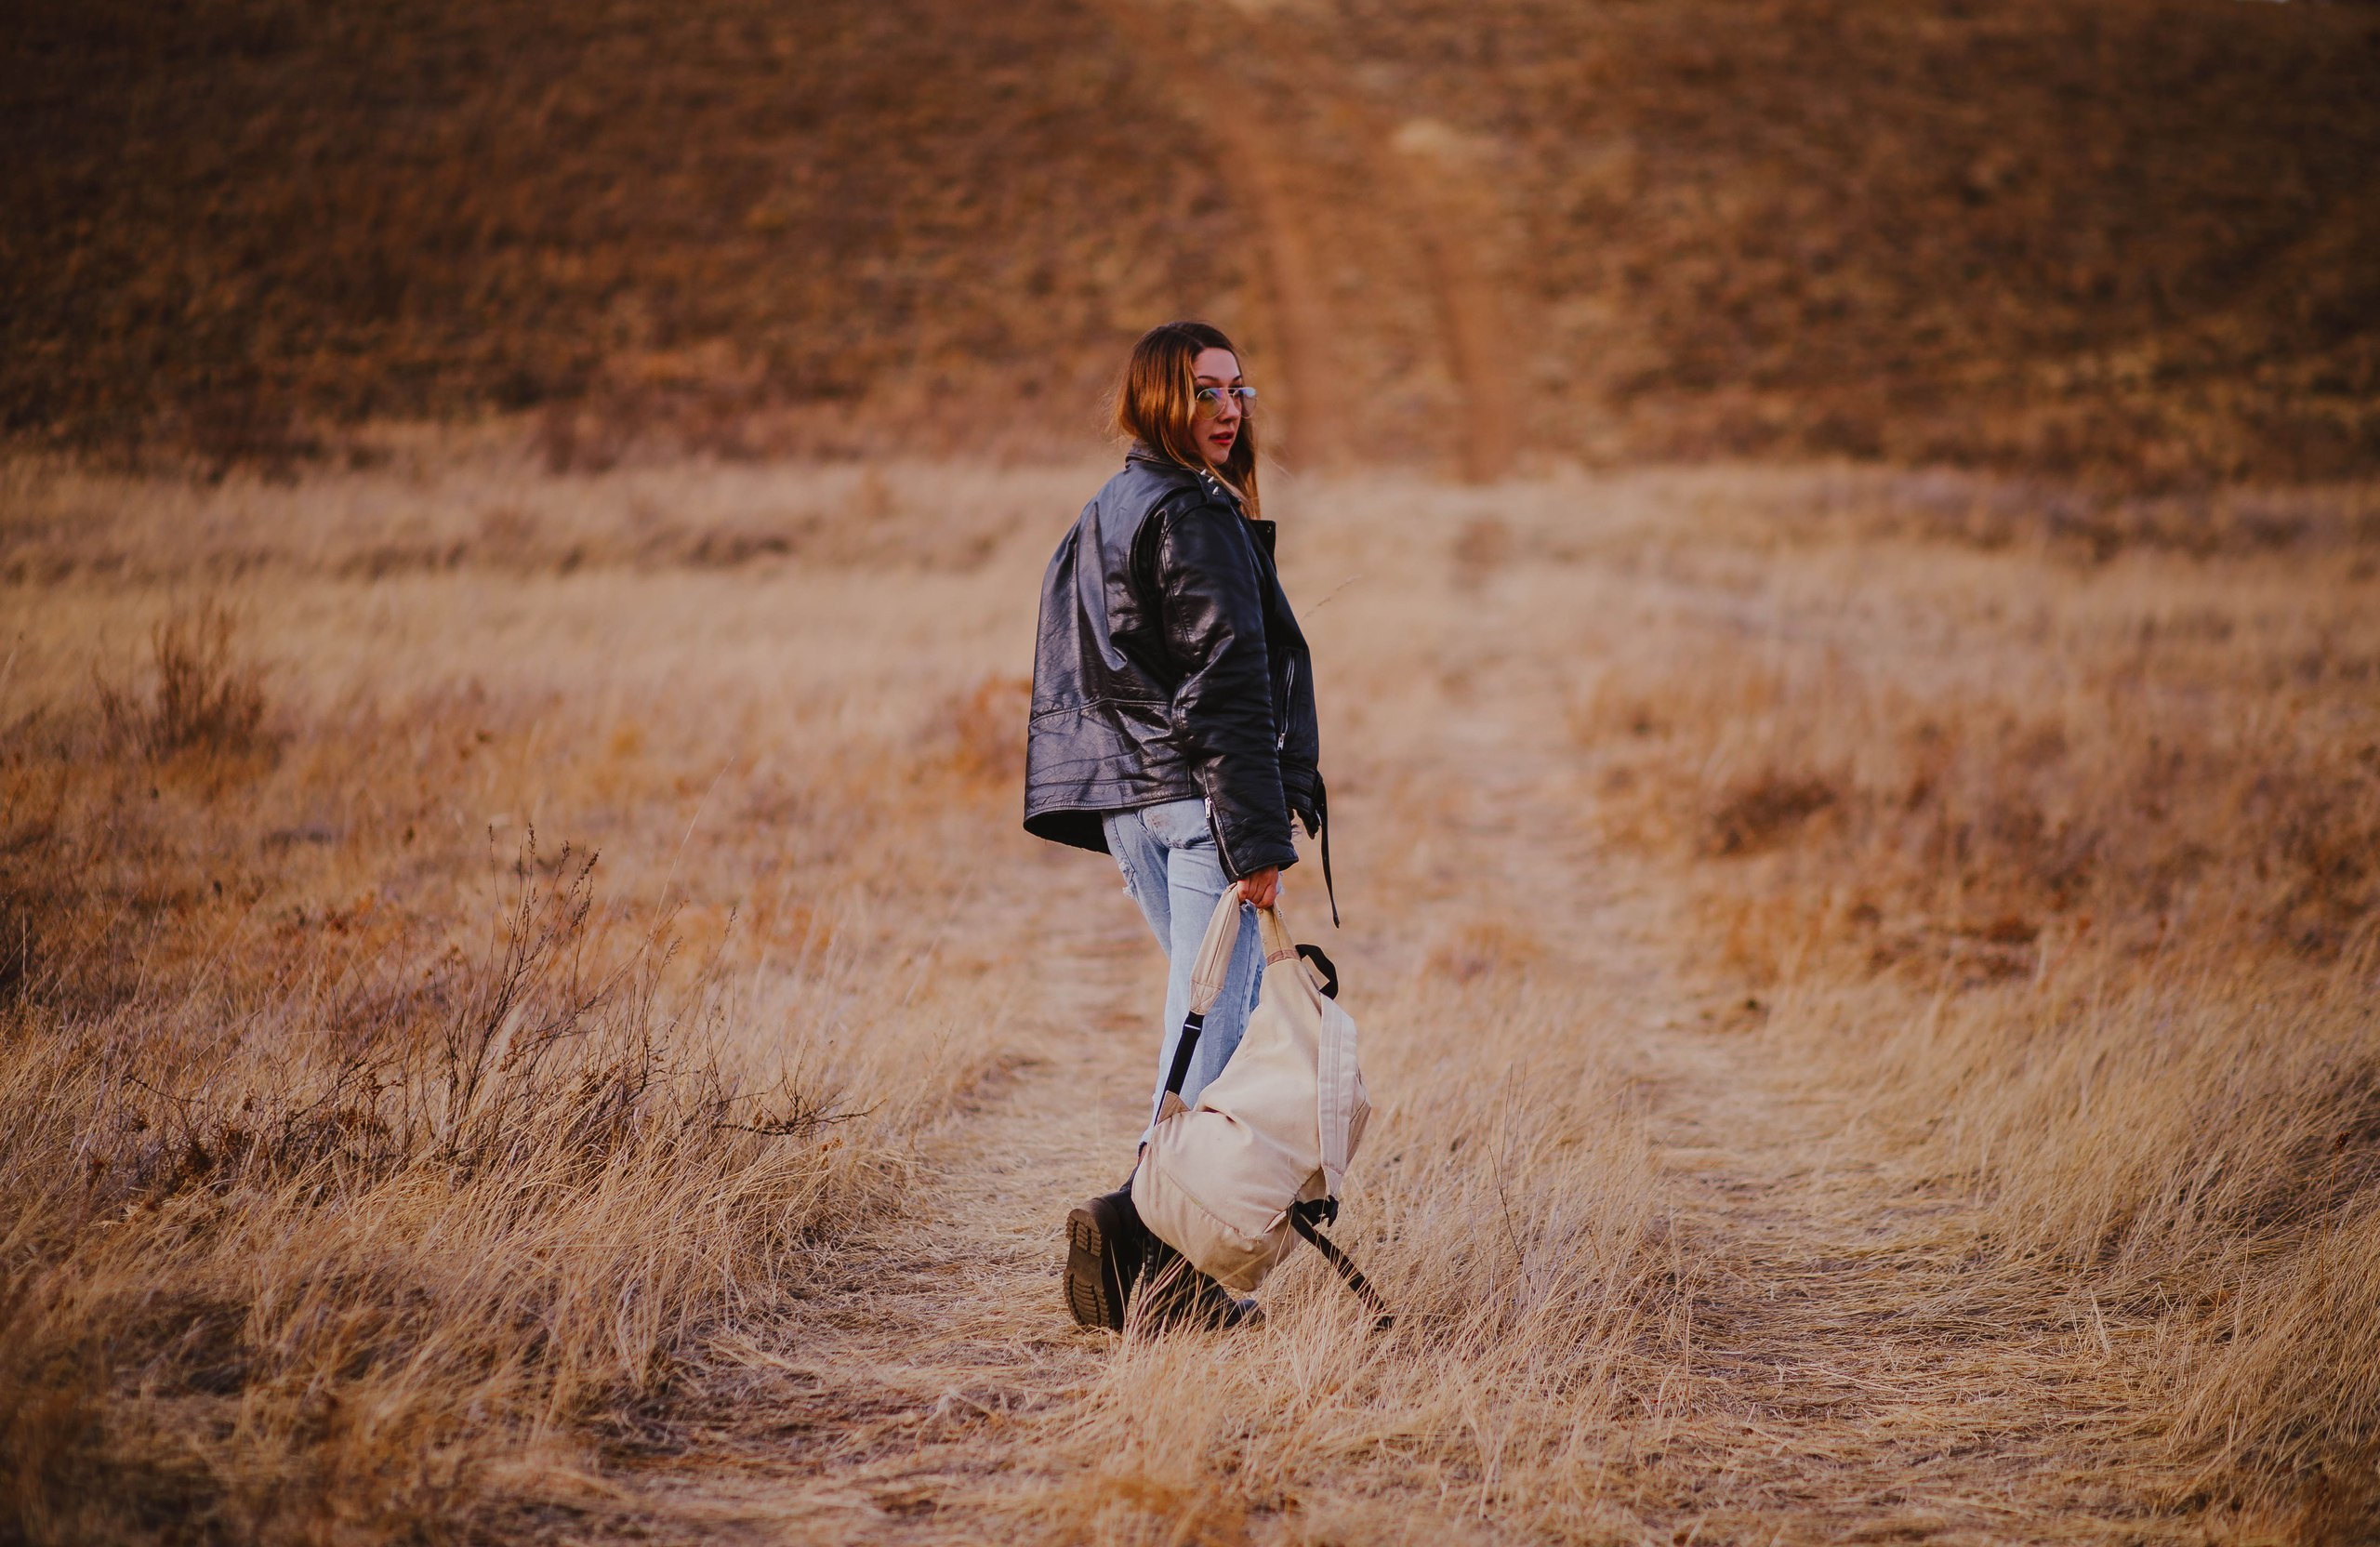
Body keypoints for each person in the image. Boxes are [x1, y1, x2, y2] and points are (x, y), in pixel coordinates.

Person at [1025, 320, 1328, 1332]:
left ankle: (1145, 1253)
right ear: (1159, 396)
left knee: (1199, 1024)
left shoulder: (1109, 505)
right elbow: (1226, 685)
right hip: (1197, 807)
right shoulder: (1191, 513)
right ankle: (1149, 1254)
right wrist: (1256, 842)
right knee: (1216, 1037)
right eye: (1205, 391)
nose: (1229, 410)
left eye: (1238, 390)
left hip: (1134, 806)